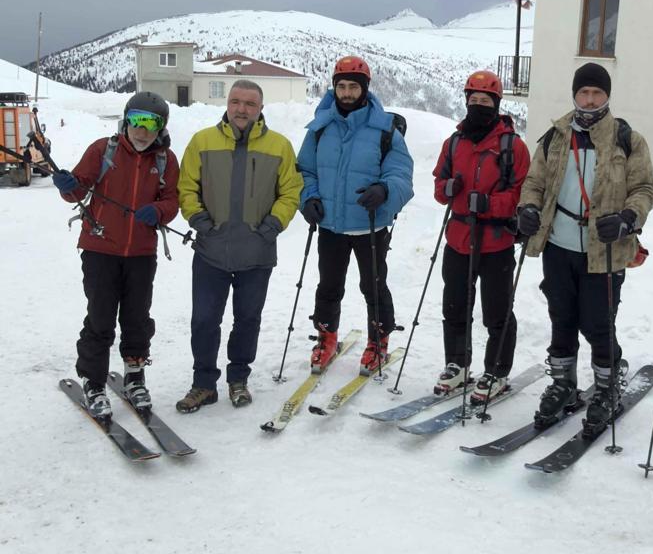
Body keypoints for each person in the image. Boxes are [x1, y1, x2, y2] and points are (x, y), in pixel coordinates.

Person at [516, 62, 653, 429]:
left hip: (605, 249)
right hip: (559, 245)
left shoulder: (628, 139)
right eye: (584, 92)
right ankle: (563, 384)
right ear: (575, 95)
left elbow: (644, 188)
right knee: (561, 318)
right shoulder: (555, 137)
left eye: (597, 92)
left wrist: (628, 217)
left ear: (607, 95)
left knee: (597, 323)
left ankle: (608, 387)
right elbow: (534, 182)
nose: (590, 99)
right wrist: (528, 208)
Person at [176, 80, 302, 411]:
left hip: (257, 253)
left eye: (249, 103)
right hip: (210, 251)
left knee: (247, 320)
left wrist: (273, 224)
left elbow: (291, 191)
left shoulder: (279, 146)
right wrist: (198, 218)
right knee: (204, 320)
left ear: (260, 109)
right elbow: (186, 186)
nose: (241, 109)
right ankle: (203, 384)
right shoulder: (202, 141)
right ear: (227, 104)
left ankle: (238, 379)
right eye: (235, 101)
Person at [52, 91, 179, 417]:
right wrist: (67, 184)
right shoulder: (102, 149)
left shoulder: (165, 160)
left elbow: (172, 201)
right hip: (100, 248)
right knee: (101, 317)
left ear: (161, 126)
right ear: (126, 120)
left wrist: (159, 211)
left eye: (151, 123)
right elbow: (78, 189)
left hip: (140, 253)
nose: (142, 130)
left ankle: (135, 377)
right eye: (136, 120)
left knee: (137, 318)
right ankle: (93, 382)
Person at [297, 55, 414, 373]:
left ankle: (379, 341)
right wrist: (308, 197)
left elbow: (402, 174)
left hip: (370, 225)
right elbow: (304, 170)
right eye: (341, 86)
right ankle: (326, 337)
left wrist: (386, 190)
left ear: (365, 89)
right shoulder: (320, 128)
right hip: (331, 225)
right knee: (328, 286)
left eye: (353, 87)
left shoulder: (385, 130)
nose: (347, 93)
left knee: (374, 286)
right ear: (334, 88)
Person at [432, 70, 530, 402]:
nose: (478, 106)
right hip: (458, 238)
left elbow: (523, 193)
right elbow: (438, 186)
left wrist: (490, 203)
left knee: (497, 311)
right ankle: (457, 365)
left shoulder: (512, 147)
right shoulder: (454, 143)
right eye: (472, 100)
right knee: (455, 307)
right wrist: (448, 188)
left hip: (496, 242)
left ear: (497, 104)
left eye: (485, 101)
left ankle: (497, 371)